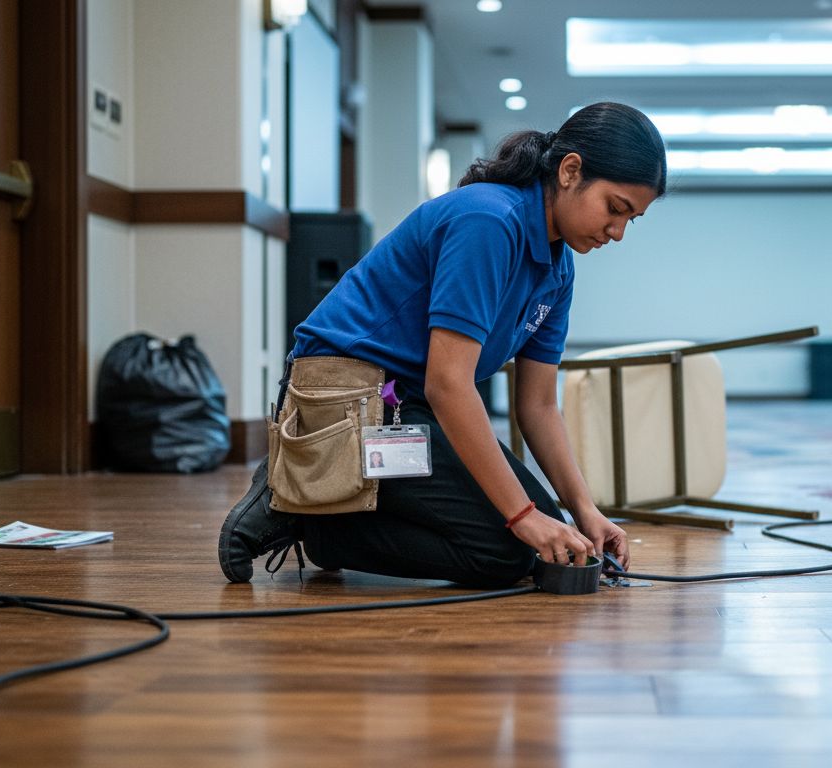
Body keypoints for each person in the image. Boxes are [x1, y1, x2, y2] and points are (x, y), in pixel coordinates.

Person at [219, 102, 666, 587]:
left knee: (546, 533)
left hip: (408, 406)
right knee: (513, 550)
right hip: (345, 400)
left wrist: (585, 512)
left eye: (631, 220)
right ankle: (305, 504)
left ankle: (330, 521)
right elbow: (449, 384)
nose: (617, 232)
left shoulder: (559, 268)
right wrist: (523, 518)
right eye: (615, 208)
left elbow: (538, 405)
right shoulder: (490, 221)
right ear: (570, 170)